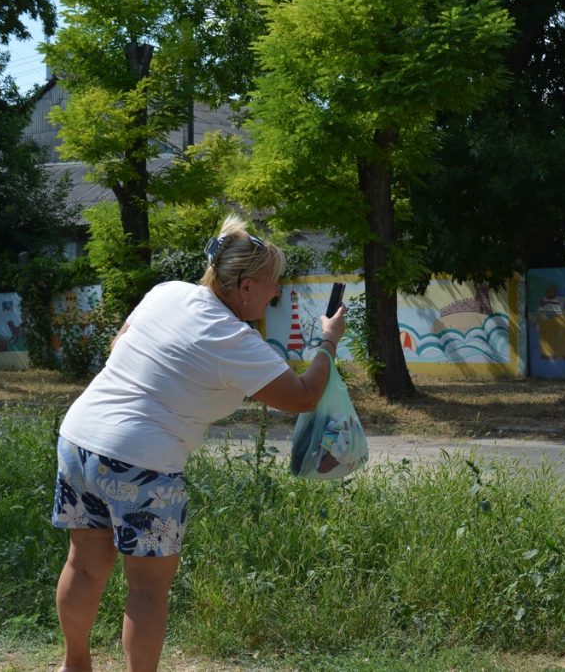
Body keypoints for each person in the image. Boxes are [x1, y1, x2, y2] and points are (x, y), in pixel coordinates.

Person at [50, 215, 346, 672]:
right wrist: (327, 343)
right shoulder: (232, 338)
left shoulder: (166, 291)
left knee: (85, 565)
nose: (276, 293)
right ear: (244, 286)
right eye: (272, 284)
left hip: (80, 437)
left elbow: (119, 345)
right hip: (142, 460)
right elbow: (303, 398)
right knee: (147, 587)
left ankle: (75, 666)